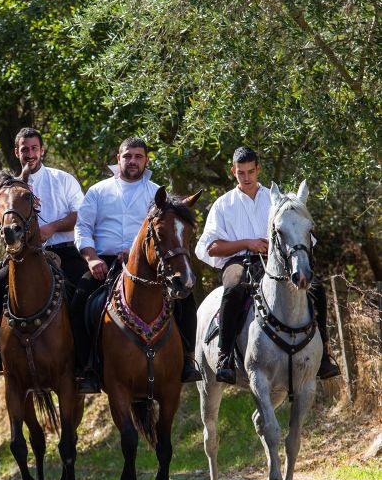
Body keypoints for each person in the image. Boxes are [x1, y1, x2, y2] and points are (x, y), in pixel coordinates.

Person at [194, 146, 340, 383]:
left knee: (318, 289)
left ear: (258, 169)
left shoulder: (277, 200)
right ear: (233, 171)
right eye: (241, 172)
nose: (247, 177)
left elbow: (300, 235)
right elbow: (210, 248)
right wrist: (247, 243)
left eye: (251, 171)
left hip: (277, 262)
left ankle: (323, 356)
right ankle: (225, 357)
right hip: (239, 261)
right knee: (233, 289)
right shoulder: (223, 204)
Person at [72, 137, 201, 393]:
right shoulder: (98, 191)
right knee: (79, 300)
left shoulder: (158, 195)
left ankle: (187, 359)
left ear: (146, 160)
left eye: (138, 156)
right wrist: (91, 258)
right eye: (127, 156)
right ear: (118, 158)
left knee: (186, 297)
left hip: (148, 265)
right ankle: (85, 368)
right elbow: (82, 227)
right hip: (104, 263)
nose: (132, 161)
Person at [0, 127, 87, 375]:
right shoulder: (9, 187)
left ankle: (87, 359)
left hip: (63, 251)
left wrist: (51, 227)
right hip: (24, 254)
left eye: (34, 148)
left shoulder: (63, 179)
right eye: (24, 149)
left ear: (42, 150)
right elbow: (2, 220)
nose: (30, 154)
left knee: (85, 291)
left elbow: (83, 217)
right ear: (17, 152)